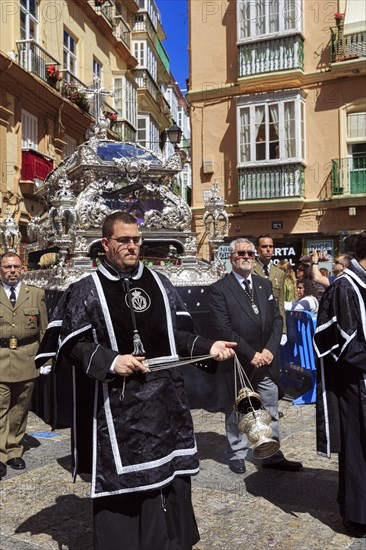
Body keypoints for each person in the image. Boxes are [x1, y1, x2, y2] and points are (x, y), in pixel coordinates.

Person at [35, 211, 236, 550]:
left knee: (170, 477)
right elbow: (72, 344)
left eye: (136, 240)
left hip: (167, 403)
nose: (132, 246)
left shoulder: (160, 283)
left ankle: (172, 541)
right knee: (127, 484)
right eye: (123, 240)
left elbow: (181, 336)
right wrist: (112, 360)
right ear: (105, 243)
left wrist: (209, 346)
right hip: (120, 407)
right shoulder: (87, 289)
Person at [209, 238, 303, 474]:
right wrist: (251, 354)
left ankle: (271, 451)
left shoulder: (263, 284)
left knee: (270, 405)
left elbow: (277, 319)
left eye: (251, 253)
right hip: (238, 361)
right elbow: (224, 328)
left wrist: (270, 350)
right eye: (242, 253)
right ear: (232, 257)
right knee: (236, 408)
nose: (248, 257)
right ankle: (237, 452)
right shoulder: (219, 289)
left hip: (266, 359)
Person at [313, 230, 366, 539]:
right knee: (358, 449)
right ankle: (357, 516)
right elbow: (344, 346)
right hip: (355, 384)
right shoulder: (344, 288)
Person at [0, 252, 49, 479]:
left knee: (20, 408)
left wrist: (46, 360)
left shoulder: (36, 294)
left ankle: (14, 450)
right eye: (7, 267)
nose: (12, 271)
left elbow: (44, 331)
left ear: (23, 269)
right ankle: (0, 454)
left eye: (15, 267)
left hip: (27, 359)